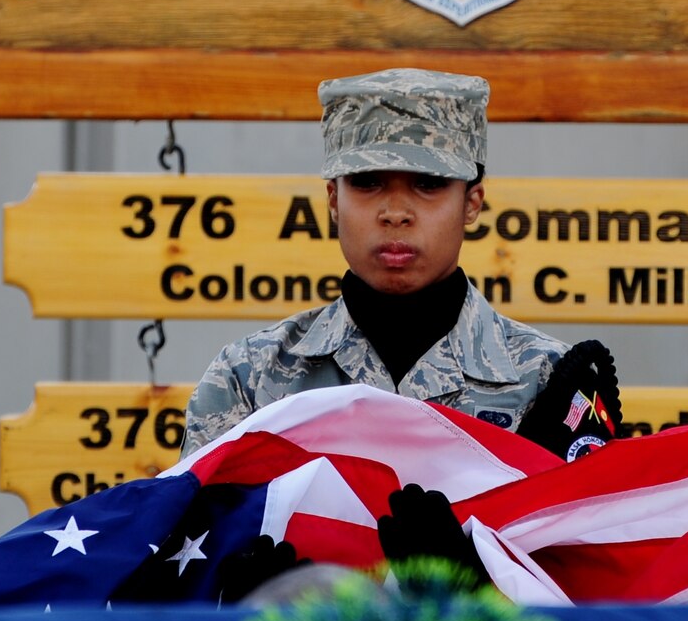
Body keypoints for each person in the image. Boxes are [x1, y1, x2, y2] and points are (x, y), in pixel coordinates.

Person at [182, 68, 619, 462]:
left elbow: (584, 543)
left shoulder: (545, 379)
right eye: (367, 182)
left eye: (428, 184)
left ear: (472, 203)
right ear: (334, 200)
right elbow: (186, 533)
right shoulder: (250, 376)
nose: (395, 212)